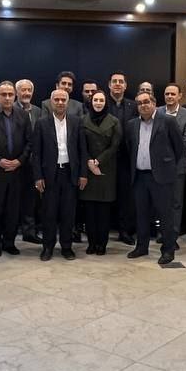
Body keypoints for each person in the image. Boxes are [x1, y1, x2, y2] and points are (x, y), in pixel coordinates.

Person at [126, 91, 185, 265]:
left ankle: (168, 250)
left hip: (161, 177)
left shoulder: (167, 121)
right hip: (139, 176)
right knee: (141, 214)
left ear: (154, 103)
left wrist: (166, 165)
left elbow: (179, 148)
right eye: (139, 103)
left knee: (165, 215)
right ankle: (141, 247)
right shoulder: (132, 124)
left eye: (146, 102)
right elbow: (129, 148)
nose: (143, 105)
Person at [30, 88, 86, 260]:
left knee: (68, 213)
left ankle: (67, 247)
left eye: (63, 100)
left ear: (67, 102)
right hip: (49, 174)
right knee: (49, 213)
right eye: (57, 100)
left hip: (70, 173)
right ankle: (47, 247)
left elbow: (82, 150)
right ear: (51, 102)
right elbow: (36, 153)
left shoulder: (76, 122)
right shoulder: (42, 123)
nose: (60, 103)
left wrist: (83, 174)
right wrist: (38, 176)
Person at [0, 81, 32, 256]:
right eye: (3, 94)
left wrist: (19, 161)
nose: (7, 98)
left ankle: (9, 242)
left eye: (10, 94)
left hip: (17, 170)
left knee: (13, 208)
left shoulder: (23, 115)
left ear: (15, 96)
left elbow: (29, 142)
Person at [80, 90, 122, 255]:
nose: (98, 103)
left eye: (101, 100)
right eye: (95, 100)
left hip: (106, 170)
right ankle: (91, 243)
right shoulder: (82, 120)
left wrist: (98, 161)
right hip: (88, 171)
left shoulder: (114, 121)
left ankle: (102, 244)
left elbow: (115, 145)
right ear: (91, 102)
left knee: (104, 212)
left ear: (106, 103)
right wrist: (89, 162)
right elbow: (80, 145)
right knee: (89, 211)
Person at [106, 72, 138, 244]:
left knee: (126, 197)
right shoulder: (101, 103)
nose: (117, 84)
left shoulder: (134, 106)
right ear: (109, 85)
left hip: (127, 158)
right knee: (104, 195)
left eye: (121, 81)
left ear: (125, 85)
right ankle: (103, 229)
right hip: (105, 159)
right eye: (114, 81)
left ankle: (124, 231)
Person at [161, 83, 186, 236]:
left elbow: (185, 141)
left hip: (177, 165)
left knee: (176, 202)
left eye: (173, 94)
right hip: (158, 165)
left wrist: (164, 151)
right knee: (160, 201)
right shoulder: (157, 112)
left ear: (180, 96)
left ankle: (172, 235)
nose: (169, 96)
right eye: (167, 94)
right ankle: (162, 232)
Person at [16, 78, 44, 244]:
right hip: (15, 161)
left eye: (29, 90)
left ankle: (29, 231)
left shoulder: (38, 111)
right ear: (17, 92)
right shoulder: (11, 109)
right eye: (23, 90)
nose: (26, 93)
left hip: (33, 162)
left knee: (31, 198)